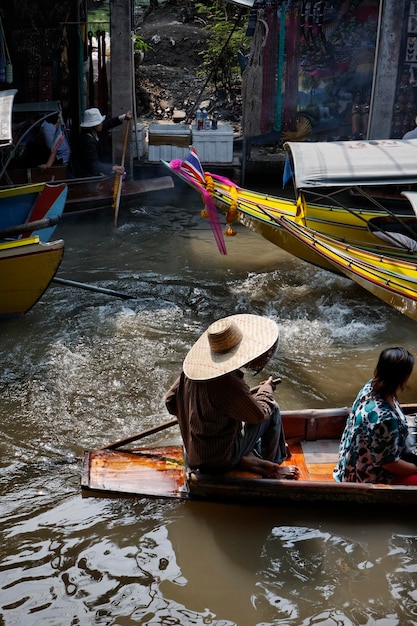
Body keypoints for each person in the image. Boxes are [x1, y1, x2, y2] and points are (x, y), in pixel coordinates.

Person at [165, 314, 299, 479]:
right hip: (218, 460)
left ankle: (245, 457)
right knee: (273, 409)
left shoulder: (191, 372)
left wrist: (195, 417)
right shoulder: (228, 383)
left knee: (239, 420)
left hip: (194, 451)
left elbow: (170, 402)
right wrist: (267, 389)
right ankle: (274, 463)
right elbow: (259, 415)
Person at [334, 347, 417, 485]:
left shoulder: (370, 387)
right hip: (366, 476)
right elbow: (389, 464)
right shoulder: (386, 420)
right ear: (404, 377)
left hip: (351, 464)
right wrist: (415, 468)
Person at [74, 107, 132, 177]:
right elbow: (94, 165)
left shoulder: (94, 130)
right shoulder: (88, 141)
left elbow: (107, 124)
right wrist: (112, 168)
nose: (101, 124)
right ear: (93, 125)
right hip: (86, 175)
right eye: (99, 123)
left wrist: (124, 117)